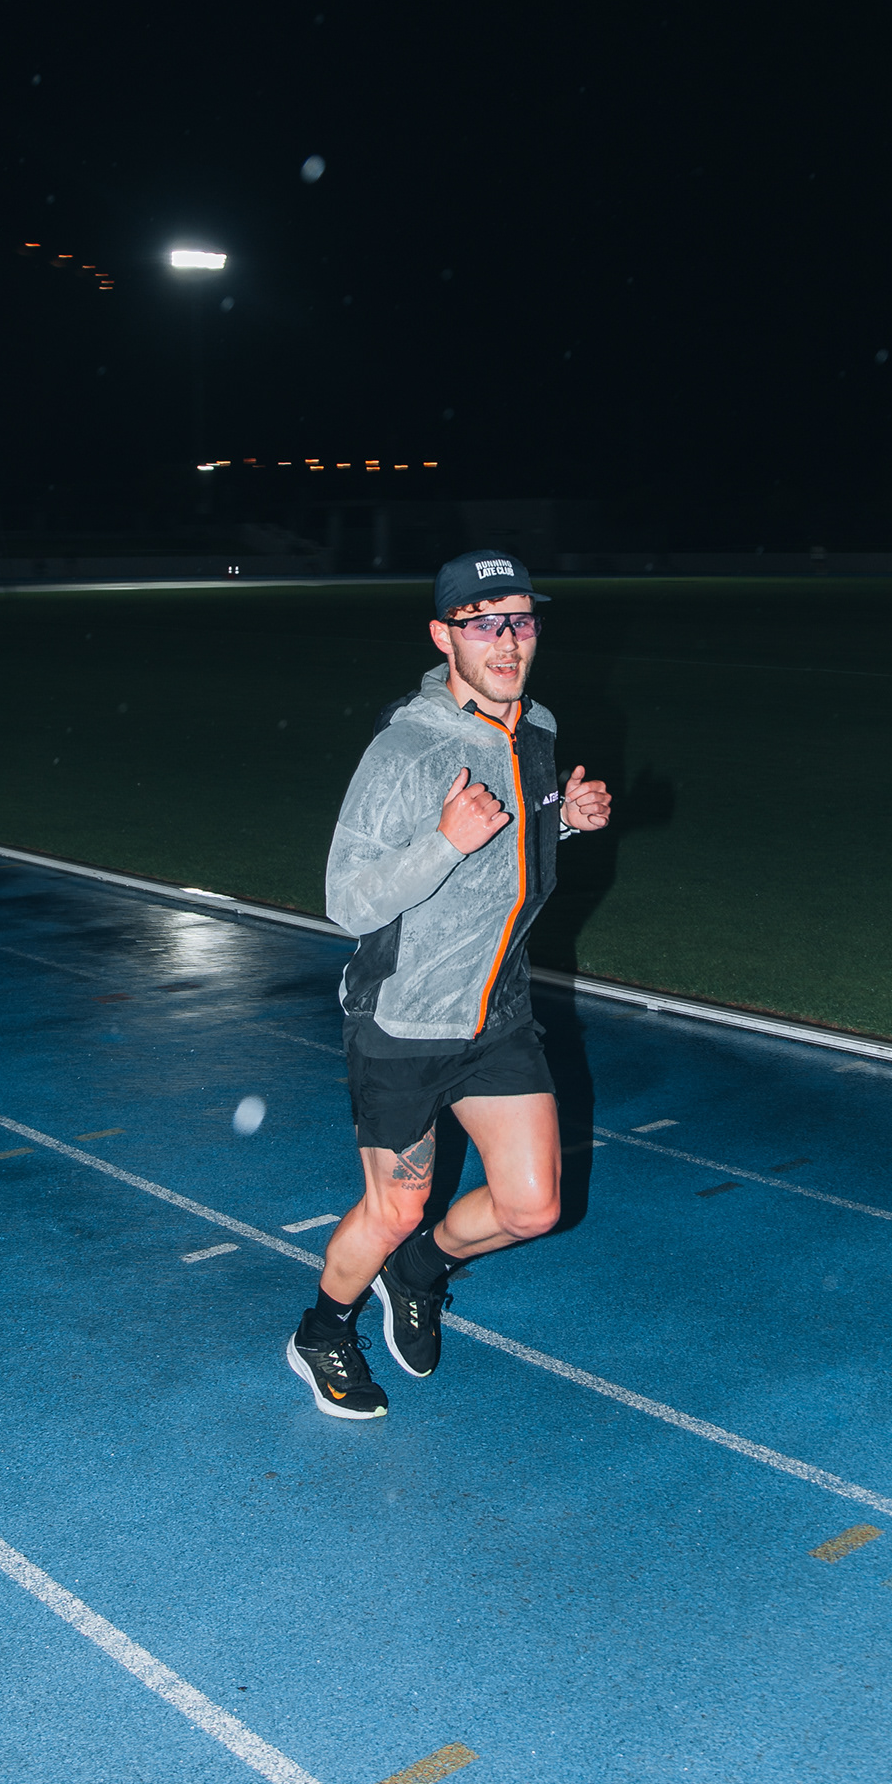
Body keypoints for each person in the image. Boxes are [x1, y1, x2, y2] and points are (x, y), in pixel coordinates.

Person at [286, 550, 611, 1418]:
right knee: (394, 1207)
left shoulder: (534, 727)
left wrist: (565, 822)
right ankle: (322, 1332)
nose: (507, 642)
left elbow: (510, 842)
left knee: (533, 1207)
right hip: (403, 1017)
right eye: (484, 624)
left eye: (521, 621)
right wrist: (443, 843)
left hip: (496, 1013)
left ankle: (419, 1271)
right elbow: (347, 902)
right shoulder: (405, 750)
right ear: (444, 636)